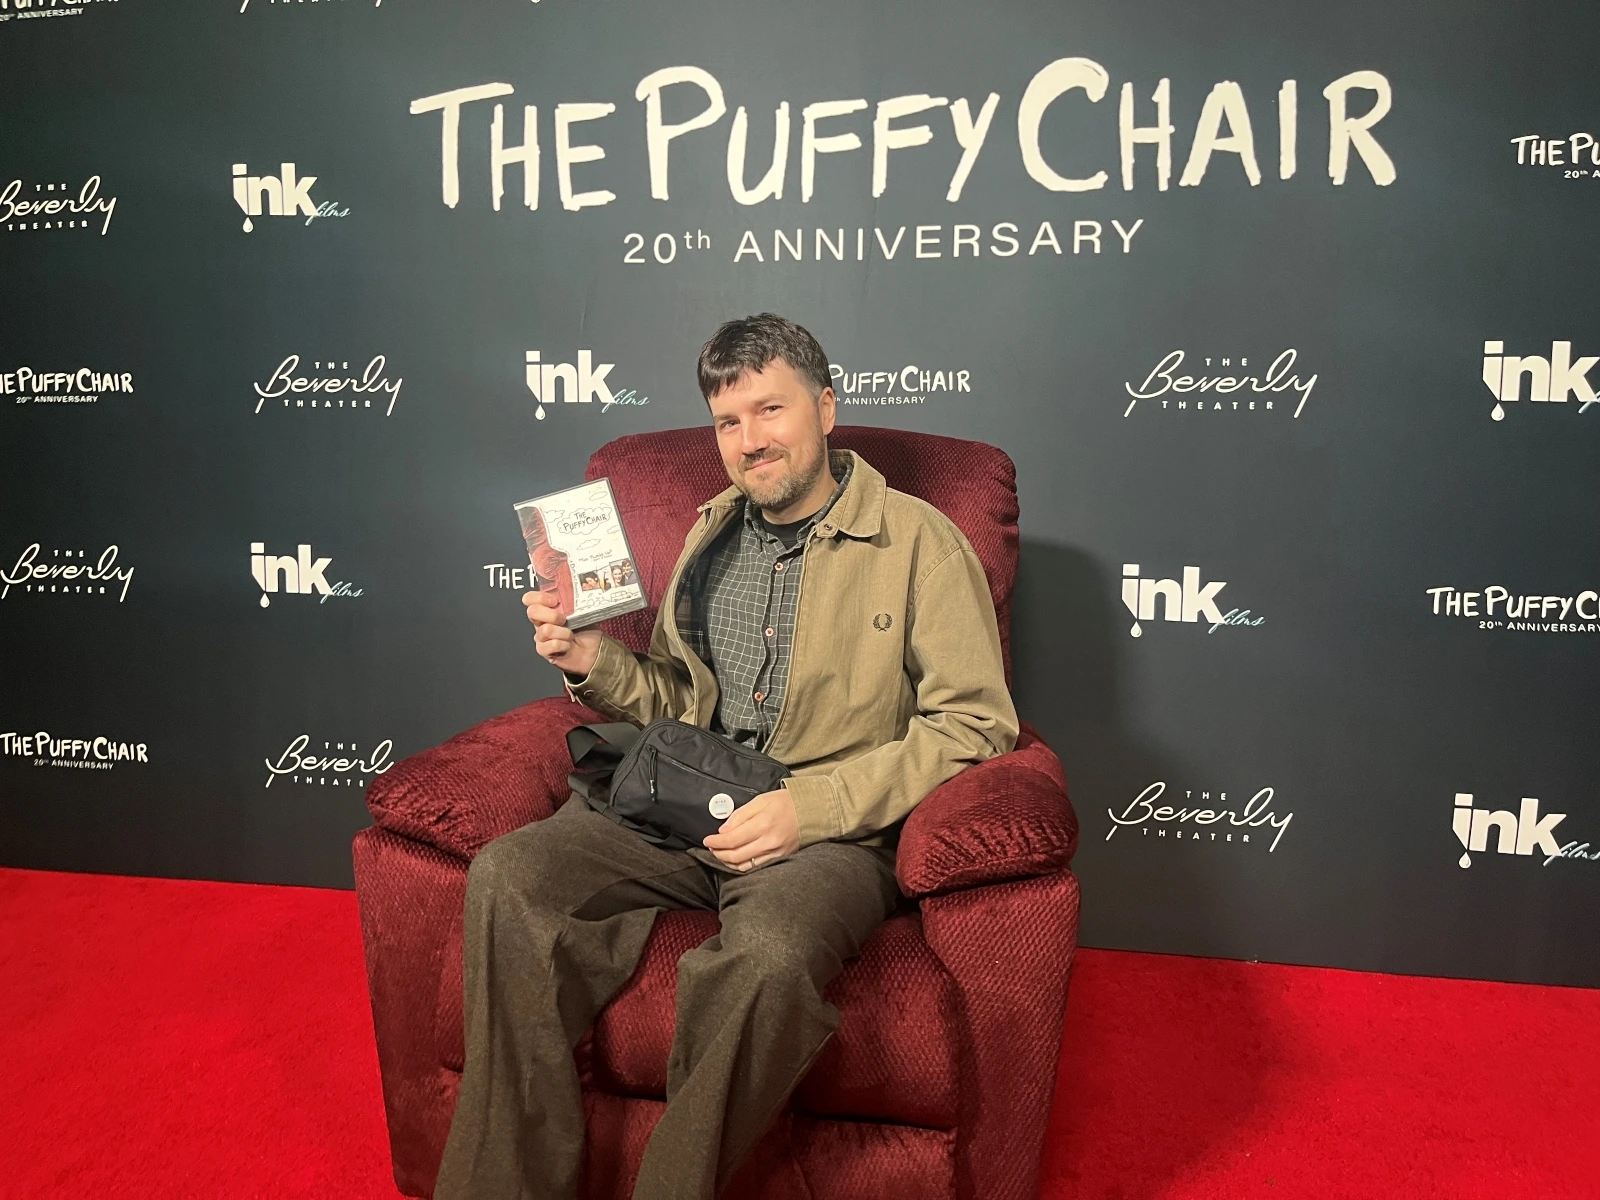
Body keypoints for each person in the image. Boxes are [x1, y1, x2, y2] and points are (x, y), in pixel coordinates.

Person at [435, 313, 1018, 1200]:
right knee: (510, 878)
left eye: (770, 411)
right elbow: (678, 697)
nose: (750, 442)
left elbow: (973, 725)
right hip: (679, 798)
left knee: (772, 954)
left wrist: (809, 811)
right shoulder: (713, 533)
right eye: (728, 422)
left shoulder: (920, 542)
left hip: (824, 829)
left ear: (825, 407)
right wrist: (596, 665)